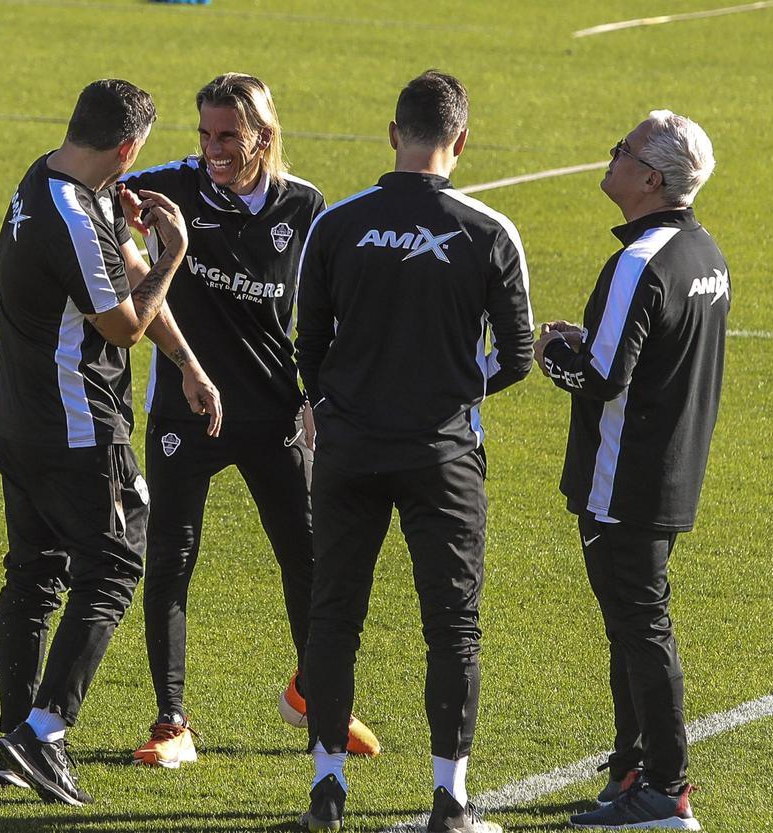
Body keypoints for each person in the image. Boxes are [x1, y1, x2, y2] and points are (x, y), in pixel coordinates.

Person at [116, 72, 379, 768]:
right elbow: (100, 205)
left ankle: (319, 696)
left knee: (311, 557)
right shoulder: (165, 188)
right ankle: (172, 722)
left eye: (228, 135)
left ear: (264, 133)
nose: (214, 149)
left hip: (273, 411)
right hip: (185, 405)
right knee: (170, 560)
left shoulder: (307, 206)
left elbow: (322, 313)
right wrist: (133, 243)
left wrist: (319, 400)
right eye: (204, 133)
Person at [295, 70, 533, 833]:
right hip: (442, 455)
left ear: (393, 134)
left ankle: (327, 786)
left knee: (333, 616)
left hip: (348, 449)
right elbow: (520, 355)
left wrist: (333, 406)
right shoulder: (489, 230)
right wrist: (455, 395)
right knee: (453, 626)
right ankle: (448, 799)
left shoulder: (337, 223)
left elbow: (309, 346)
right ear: (460, 140)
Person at [0, 78, 220, 806]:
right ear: (127, 147)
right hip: (77, 429)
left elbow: (131, 275)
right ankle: (44, 733)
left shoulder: (46, 178)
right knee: (115, 565)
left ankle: (14, 738)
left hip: (16, 421)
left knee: (33, 573)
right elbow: (123, 322)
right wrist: (177, 250)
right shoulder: (73, 216)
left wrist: (187, 364)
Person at [533, 110, 726, 831]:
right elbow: (653, 359)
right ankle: (634, 765)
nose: (610, 154)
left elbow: (604, 377)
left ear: (649, 177)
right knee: (633, 624)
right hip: (672, 471)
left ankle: (665, 786)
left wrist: (551, 349)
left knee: (641, 625)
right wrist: (587, 342)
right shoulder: (704, 252)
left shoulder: (639, 260)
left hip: (622, 477)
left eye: (622, 147)